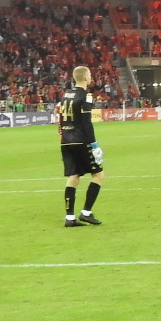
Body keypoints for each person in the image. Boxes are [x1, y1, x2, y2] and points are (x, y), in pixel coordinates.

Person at [57, 65, 104, 227]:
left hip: (66, 141)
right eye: (90, 74)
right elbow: (86, 123)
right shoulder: (86, 96)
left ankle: (69, 217)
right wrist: (94, 145)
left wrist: (63, 136)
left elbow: (61, 119)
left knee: (74, 176)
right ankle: (86, 212)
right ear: (85, 78)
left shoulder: (65, 95)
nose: (91, 77)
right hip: (81, 140)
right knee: (98, 176)